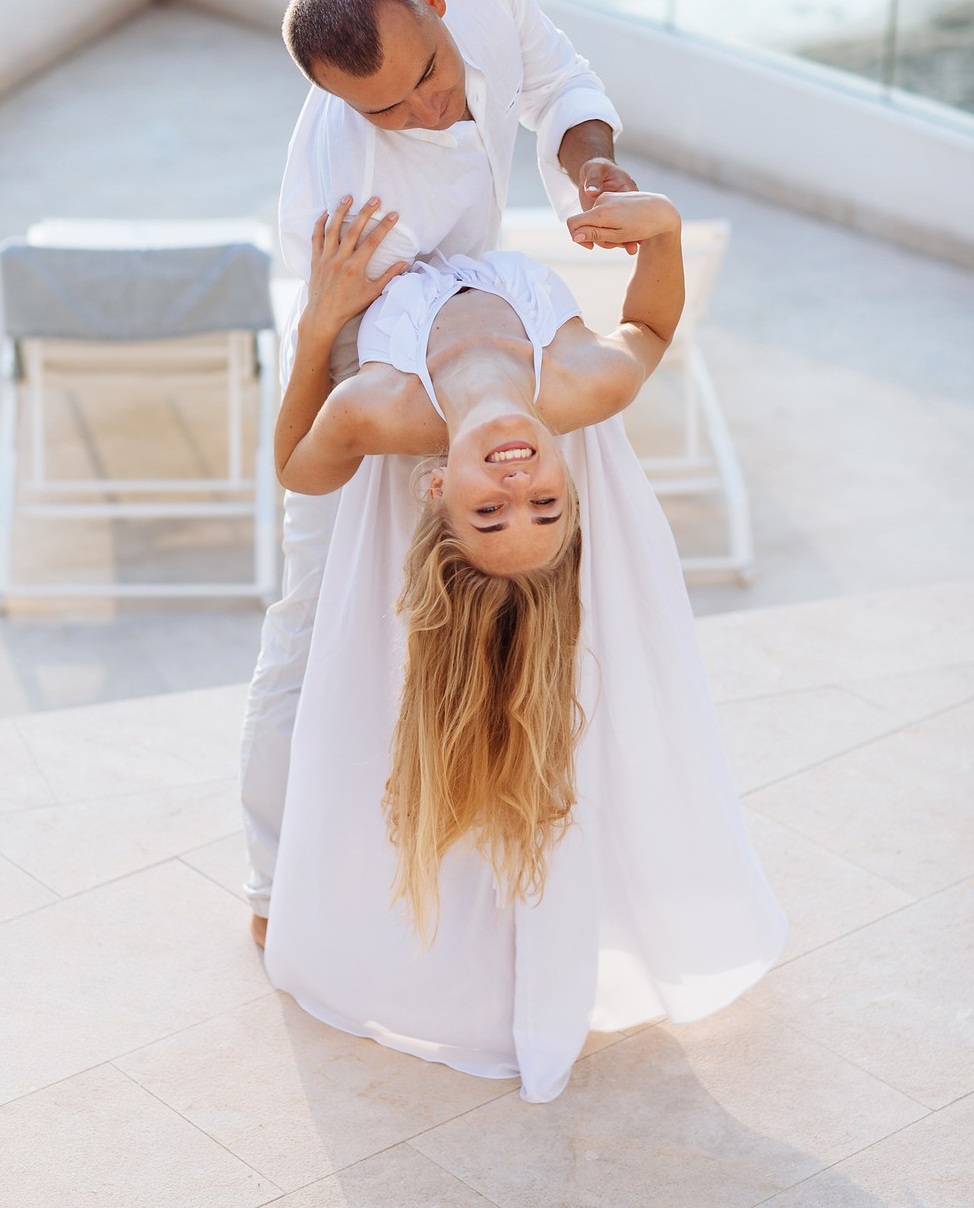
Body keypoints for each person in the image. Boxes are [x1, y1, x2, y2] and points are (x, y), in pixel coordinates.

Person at [263, 191, 787, 1103]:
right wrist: (658, 230)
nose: (518, 484)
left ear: (434, 490)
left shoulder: (381, 409)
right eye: (544, 505)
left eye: (488, 511)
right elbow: (653, 324)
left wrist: (319, 319)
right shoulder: (587, 386)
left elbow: (297, 468)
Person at [241, 0, 638, 942]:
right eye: (387, 108)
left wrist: (589, 164)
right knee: (315, 615)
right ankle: (274, 874)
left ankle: (489, 839)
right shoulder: (346, 182)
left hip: (479, 329)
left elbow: (557, 79)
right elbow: (340, 338)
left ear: (431, 1)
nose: (424, 110)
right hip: (364, 344)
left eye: (427, 75)